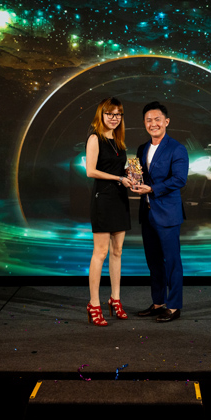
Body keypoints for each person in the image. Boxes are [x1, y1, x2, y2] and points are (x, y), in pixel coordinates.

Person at [131, 101, 189, 323]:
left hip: (168, 214)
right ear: (144, 123)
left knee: (172, 262)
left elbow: (180, 179)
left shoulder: (177, 148)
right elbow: (140, 176)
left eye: (157, 119)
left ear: (166, 122)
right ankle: (158, 303)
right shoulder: (142, 148)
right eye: (148, 120)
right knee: (153, 262)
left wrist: (152, 189)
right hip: (147, 213)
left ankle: (174, 307)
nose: (153, 123)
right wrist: (132, 181)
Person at [84, 97, 133, 326]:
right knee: (101, 252)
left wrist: (130, 175)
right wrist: (119, 178)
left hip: (120, 199)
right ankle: (94, 304)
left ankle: (115, 299)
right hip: (103, 198)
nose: (114, 118)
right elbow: (90, 171)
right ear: (101, 114)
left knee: (117, 251)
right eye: (110, 114)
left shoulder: (119, 140)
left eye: (118, 114)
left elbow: (120, 168)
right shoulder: (95, 138)